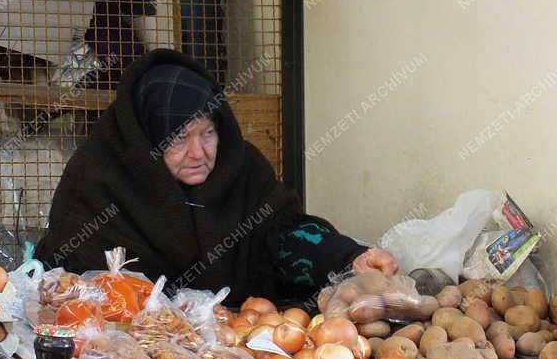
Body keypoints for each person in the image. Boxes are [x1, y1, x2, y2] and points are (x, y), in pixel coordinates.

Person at [34, 49, 397, 306]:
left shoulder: (242, 169)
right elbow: (71, 283)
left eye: (207, 133)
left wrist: (348, 257)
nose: (198, 152)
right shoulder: (99, 180)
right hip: (124, 354)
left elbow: (284, 237)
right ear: (145, 138)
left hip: (235, 350)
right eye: (178, 137)